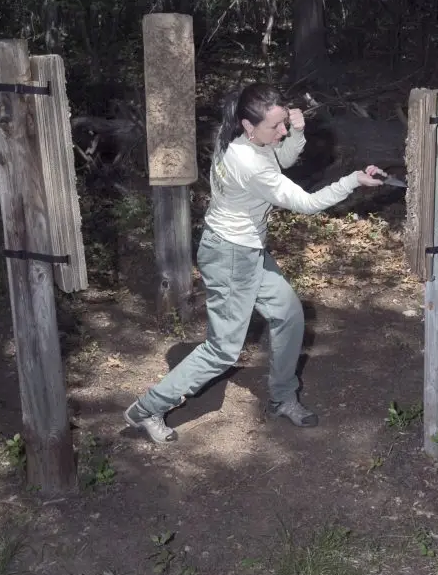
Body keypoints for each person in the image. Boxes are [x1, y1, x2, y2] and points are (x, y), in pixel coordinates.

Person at [124, 82, 385, 443]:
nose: (282, 131)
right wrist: (353, 180)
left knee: (289, 315)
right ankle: (146, 409)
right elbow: (306, 203)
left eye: (284, 123)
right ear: (249, 126)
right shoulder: (247, 162)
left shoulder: (243, 140)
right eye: (275, 126)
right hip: (231, 256)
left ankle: (281, 397)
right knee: (222, 351)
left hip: (247, 251)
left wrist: (297, 132)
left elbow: (281, 158)